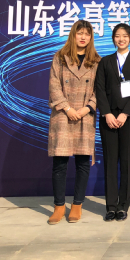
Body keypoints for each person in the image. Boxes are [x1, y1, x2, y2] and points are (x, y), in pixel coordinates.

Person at [47, 20, 101, 225]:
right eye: (80, 33)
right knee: (60, 163)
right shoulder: (60, 57)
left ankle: (77, 205)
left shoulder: (96, 61)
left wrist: (87, 108)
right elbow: (54, 86)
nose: (83, 37)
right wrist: (68, 109)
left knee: (82, 163)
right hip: (63, 115)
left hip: (85, 115)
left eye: (87, 33)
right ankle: (59, 206)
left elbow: (100, 90)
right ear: (73, 35)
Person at [95, 23, 130, 222]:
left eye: (125, 36)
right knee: (110, 162)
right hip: (108, 118)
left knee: (126, 162)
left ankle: (123, 206)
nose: (121, 39)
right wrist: (107, 113)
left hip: (129, 119)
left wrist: (125, 114)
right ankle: (110, 206)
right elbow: (99, 89)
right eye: (117, 35)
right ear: (113, 39)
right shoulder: (105, 62)